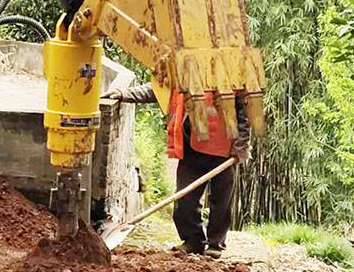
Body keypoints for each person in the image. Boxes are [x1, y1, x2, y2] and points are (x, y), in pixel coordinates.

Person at [103, 81, 250, 259]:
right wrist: (123, 93)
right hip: (191, 146)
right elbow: (159, 88)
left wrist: (241, 146)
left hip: (224, 148)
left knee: (221, 202)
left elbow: (246, 111)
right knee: (185, 201)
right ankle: (193, 240)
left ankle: (215, 244)